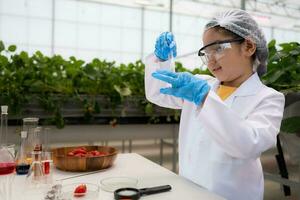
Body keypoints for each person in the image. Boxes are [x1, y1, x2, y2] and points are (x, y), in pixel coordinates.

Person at [144, 9, 285, 200]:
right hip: (189, 191)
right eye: (206, 52)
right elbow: (158, 93)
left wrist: (203, 98)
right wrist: (161, 60)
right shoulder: (203, 84)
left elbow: (248, 145)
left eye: (218, 48)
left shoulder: (268, 98)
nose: (210, 60)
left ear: (249, 46)